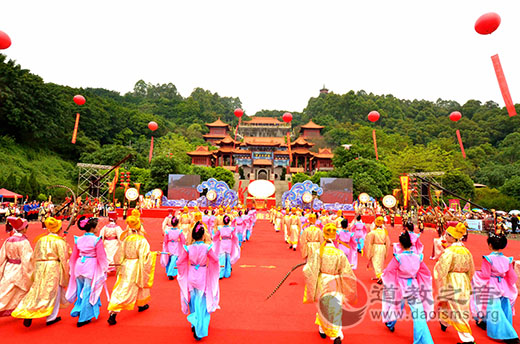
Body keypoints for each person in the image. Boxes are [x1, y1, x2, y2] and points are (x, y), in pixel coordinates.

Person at [302, 223, 357, 344]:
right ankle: (335, 333)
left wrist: (308, 268)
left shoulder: (319, 253)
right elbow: (347, 271)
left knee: (323, 307)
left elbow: (309, 270)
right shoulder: (339, 253)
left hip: (323, 281)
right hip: (335, 282)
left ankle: (325, 330)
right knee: (335, 307)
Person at [11, 217, 70, 327]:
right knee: (53, 292)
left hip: (40, 266)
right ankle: (51, 317)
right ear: (59, 229)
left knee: (36, 291)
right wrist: (66, 273)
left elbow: (34, 256)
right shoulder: (59, 241)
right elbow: (64, 257)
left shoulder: (41, 240)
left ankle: (27, 310)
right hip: (53, 266)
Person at [382, 231, 434, 344]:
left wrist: (387, 280)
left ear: (400, 244)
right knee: (419, 314)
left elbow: (389, 271)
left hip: (400, 286)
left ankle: (390, 323)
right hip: (413, 286)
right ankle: (425, 341)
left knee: (396, 305)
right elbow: (426, 272)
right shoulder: (418, 257)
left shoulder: (398, 257)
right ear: (411, 244)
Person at [107, 215, 158, 325]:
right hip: (136, 266)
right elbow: (145, 256)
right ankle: (114, 311)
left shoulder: (126, 239)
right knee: (126, 289)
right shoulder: (142, 241)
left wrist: (120, 265)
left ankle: (141, 304)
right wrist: (153, 255)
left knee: (127, 286)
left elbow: (119, 254)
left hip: (126, 264)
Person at [471, 233, 519, 344]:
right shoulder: (508, 259)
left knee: (494, 308)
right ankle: (486, 322)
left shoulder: (488, 258)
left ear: (490, 245)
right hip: (503, 284)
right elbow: (512, 276)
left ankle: (509, 335)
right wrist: (509, 284)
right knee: (504, 307)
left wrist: (475, 275)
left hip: (492, 284)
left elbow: (485, 275)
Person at [177, 221, 220, 340]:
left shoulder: (188, 248)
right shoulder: (207, 247)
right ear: (203, 235)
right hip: (202, 274)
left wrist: (183, 269)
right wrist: (213, 268)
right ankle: (199, 328)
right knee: (201, 303)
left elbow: (179, 261)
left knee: (193, 299)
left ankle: (193, 322)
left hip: (191, 274)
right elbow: (215, 260)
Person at [434, 223, 475, 344]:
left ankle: (468, 339)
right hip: (463, 280)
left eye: (448, 235)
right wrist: (467, 281)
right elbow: (471, 269)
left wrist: (442, 283)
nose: (446, 236)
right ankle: (444, 322)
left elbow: (442, 270)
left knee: (458, 308)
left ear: (453, 238)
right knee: (455, 305)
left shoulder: (449, 252)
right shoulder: (466, 251)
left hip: (452, 280)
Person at [65, 216, 108, 327]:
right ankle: (83, 317)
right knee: (88, 292)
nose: (98, 228)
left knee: (80, 291)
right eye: (97, 226)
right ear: (93, 228)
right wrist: (105, 268)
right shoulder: (96, 240)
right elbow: (102, 256)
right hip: (90, 266)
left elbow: (74, 256)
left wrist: (72, 268)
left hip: (79, 266)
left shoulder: (78, 239)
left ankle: (81, 311)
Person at [0, 217, 33, 317]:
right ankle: (23, 310)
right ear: (23, 229)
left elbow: (2, 256)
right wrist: (31, 274)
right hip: (20, 268)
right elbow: (27, 260)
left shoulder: (8, 240)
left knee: (5, 291)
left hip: (9, 268)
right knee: (23, 291)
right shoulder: (24, 242)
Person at [364, 216, 390, 284]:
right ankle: (379, 274)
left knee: (376, 262)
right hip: (383, 247)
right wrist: (386, 249)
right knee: (380, 262)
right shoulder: (385, 232)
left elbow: (368, 240)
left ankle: (380, 276)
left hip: (376, 247)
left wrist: (369, 249)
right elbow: (388, 241)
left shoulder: (373, 232)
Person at [161, 216, 185, 280]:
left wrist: (165, 246)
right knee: (174, 259)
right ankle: (170, 273)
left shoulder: (167, 231)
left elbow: (165, 240)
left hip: (169, 245)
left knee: (169, 259)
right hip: (176, 245)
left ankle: (169, 271)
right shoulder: (179, 231)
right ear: (177, 224)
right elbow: (183, 240)